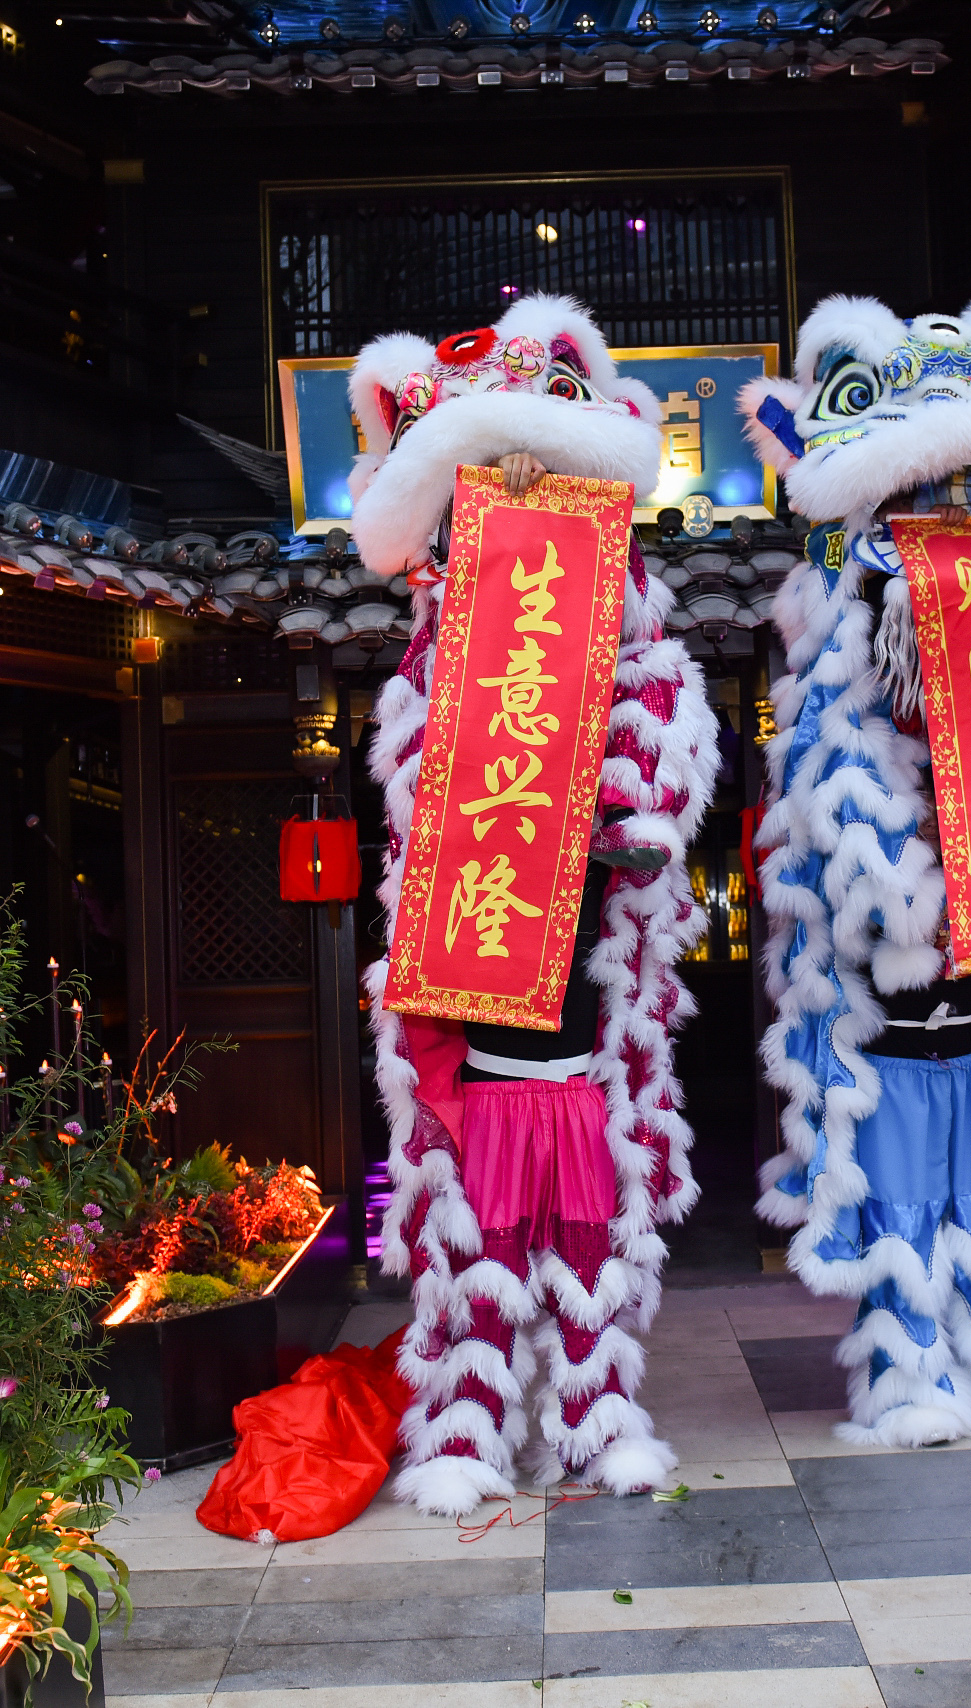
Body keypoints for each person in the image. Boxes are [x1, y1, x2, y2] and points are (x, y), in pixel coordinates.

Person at [352, 296, 722, 1513]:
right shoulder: (441, 629)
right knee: (468, 1219)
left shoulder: (621, 605)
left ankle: (595, 1416)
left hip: (585, 962)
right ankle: (463, 1427)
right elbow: (417, 772)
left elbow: (662, 716)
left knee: (591, 1228)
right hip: (473, 938)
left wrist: (632, 819)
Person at [741, 298, 971, 1447]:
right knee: (900, 1206)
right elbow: (838, 869)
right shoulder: (837, 700)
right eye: (923, 511)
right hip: (891, 1048)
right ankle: (906, 1374)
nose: (950, 536)